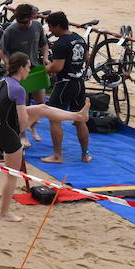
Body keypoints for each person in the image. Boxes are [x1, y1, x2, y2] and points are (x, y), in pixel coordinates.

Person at [0, 52, 91, 221]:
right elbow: (23, 124)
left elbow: (5, 110)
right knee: (12, 176)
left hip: (2, 127)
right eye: (29, 67)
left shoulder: (4, 82)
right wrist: (33, 121)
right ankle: (4, 213)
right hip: (9, 135)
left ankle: (78, 116)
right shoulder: (19, 89)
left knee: (43, 108)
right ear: (22, 67)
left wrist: (35, 114)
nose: (29, 71)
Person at [44, 11, 93, 164]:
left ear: (58, 25)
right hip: (79, 82)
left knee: (54, 118)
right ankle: (85, 154)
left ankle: (57, 156)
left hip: (64, 83)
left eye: (51, 27)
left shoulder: (61, 43)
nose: (50, 31)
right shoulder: (79, 38)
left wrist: (44, 69)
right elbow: (87, 58)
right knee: (80, 119)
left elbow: (58, 67)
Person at [0, 5, 49, 140]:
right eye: (20, 23)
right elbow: (1, 51)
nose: (24, 25)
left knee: (40, 103)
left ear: (32, 17)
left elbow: (44, 44)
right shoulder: (10, 30)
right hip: (19, 72)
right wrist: (9, 63)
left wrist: (45, 58)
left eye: (26, 22)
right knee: (22, 104)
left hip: (34, 69)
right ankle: (22, 134)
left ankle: (33, 129)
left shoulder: (37, 26)